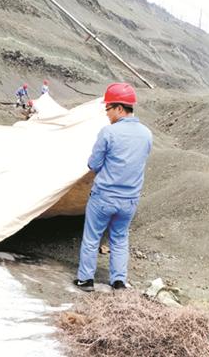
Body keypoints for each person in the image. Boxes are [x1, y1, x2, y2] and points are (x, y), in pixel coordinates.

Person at [74, 83, 152, 292]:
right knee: (119, 238)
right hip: (130, 200)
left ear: (119, 108)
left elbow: (94, 164)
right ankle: (118, 281)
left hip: (104, 197)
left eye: (108, 109)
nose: (106, 114)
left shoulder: (108, 132)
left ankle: (85, 280)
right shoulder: (146, 134)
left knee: (92, 237)